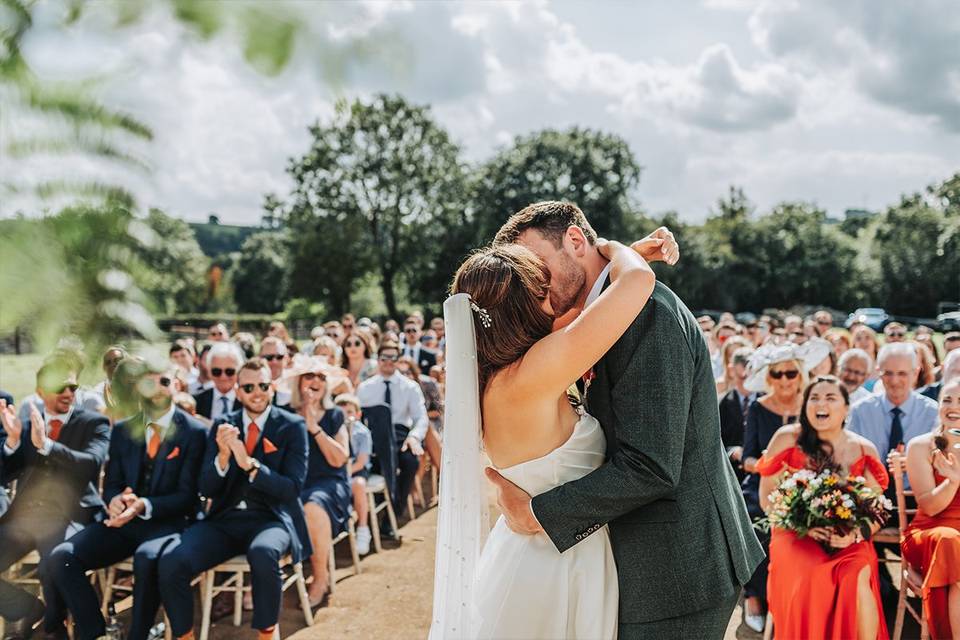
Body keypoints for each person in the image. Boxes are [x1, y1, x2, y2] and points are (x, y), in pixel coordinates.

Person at [445, 202, 762, 639]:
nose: (533, 284)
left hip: (674, 569)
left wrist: (540, 512)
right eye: (522, 277)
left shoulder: (647, 316)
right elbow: (607, 293)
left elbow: (651, 465)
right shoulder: (562, 340)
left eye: (537, 268)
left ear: (575, 240)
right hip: (605, 563)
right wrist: (618, 253)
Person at [46, 362, 206, 640]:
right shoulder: (122, 430)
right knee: (62, 557)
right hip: (123, 522)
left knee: (146, 558)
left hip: (170, 523)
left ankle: (138, 635)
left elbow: (189, 496)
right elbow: (111, 486)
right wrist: (116, 500)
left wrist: (144, 504)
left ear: (177, 385)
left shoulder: (195, 432)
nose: (157, 390)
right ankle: (95, 633)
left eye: (165, 382)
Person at [155, 358, 310, 640]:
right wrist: (223, 458)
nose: (257, 392)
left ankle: (266, 634)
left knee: (264, 553)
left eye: (263, 385)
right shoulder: (223, 425)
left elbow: (291, 489)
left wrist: (251, 466)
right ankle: (184, 636)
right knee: (171, 560)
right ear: (238, 392)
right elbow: (206, 488)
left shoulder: (292, 425)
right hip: (225, 520)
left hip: (271, 519)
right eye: (249, 387)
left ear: (272, 387)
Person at [758, 376, 888, 640]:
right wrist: (800, 525)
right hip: (794, 534)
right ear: (805, 405)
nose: (821, 404)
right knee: (811, 572)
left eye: (830, 398)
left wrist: (853, 535)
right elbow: (767, 497)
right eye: (814, 398)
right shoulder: (786, 439)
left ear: (846, 407)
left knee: (857, 573)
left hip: (849, 538)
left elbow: (879, 509)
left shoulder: (864, 448)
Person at [0, 354, 110, 638]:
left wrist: (47, 445)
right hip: (26, 517)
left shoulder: (94, 423)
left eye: (73, 387)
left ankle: (62, 629)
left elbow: (90, 464)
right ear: (40, 391)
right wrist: (12, 442)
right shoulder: (27, 423)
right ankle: (26, 608)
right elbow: (6, 473)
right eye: (60, 386)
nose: (67, 393)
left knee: (56, 562)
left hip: (71, 514)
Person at [740, 340, 828, 633]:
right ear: (769, 378)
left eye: (791, 373)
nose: (785, 380)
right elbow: (748, 456)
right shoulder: (758, 407)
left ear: (800, 375)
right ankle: (755, 597)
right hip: (764, 483)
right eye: (778, 374)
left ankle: (806, 600)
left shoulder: (812, 405)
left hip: (808, 483)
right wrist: (771, 464)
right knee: (758, 526)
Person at [284, 356, 351, 607]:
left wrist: (313, 427)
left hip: (329, 484)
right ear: (299, 382)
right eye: (309, 376)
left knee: (312, 506)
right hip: (294, 483)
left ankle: (320, 578)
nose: (315, 381)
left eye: (321, 377)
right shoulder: (285, 415)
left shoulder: (334, 415)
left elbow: (339, 459)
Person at [901, 378, 960, 640]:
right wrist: (953, 480)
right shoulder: (921, 446)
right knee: (949, 540)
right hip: (931, 531)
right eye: (947, 399)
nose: (953, 406)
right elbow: (930, 507)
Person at [357, 341, 427, 519]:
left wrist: (414, 437)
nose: (388, 361)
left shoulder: (410, 386)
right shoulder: (365, 388)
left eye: (393, 357)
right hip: (374, 437)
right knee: (378, 462)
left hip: (400, 435)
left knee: (411, 461)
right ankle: (380, 507)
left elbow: (420, 417)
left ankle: (395, 512)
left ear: (398, 359)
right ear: (378, 359)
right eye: (384, 357)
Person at [848, 343, 939, 468]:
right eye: (888, 373)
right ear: (878, 372)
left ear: (915, 373)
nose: (894, 381)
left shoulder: (932, 413)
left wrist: (915, 464)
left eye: (902, 373)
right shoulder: (860, 411)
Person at [718, 347, 756, 482]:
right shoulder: (720, 403)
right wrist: (731, 451)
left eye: (749, 377)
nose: (746, 383)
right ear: (731, 371)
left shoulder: (767, 402)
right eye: (741, 377)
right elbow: (716, 440)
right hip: (732, 476)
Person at [193, 342, 244, 421]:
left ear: (239, 371)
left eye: (229, 371)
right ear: (209, 371)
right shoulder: (196, 401)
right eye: (217, 371)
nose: (223, 377)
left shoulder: (247, 401)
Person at [259, 336, 291, 406]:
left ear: (287, 358)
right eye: (269, 357)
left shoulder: (296, 384)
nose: (274, 362)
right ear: (259, 358)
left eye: (279, 357)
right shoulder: (253, 385)